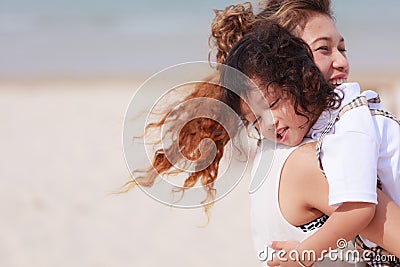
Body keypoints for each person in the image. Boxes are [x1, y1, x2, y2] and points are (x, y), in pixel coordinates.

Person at [124, 0, 400, 265]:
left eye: (341, 48)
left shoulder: (287, 144)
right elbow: (366, 214)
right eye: (323, 50)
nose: (340, 62)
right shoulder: (308, 158)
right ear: (289, 62)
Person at [221, 17, 400, 266]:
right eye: (256, 121)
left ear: (306, 80)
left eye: (272, 106)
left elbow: (360, 208)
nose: (268, 124)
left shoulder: (349, 126)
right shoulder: (310, 134)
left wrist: (305, 254)